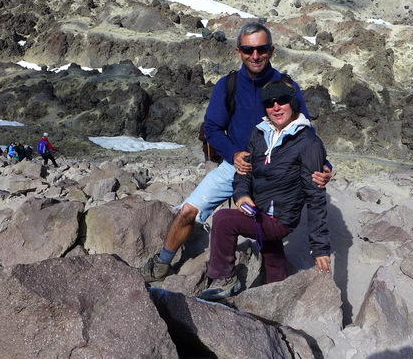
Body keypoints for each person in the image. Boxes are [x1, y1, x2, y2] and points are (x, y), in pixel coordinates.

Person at [141, 22, 332, 282]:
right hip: (235, 167)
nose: (255, 55)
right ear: (238, 51)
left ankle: (272, 287)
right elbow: (212, 128)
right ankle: (163, 261)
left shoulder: (286, 87)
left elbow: (306, 133)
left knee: (270, 232)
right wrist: (233, 154)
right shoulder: (227, 85)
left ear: (271, 50)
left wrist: (324, 167)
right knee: (188, 211)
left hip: (276, 175)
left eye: (261, 49)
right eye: (248, 49)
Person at [199, 80, 330, 301]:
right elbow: (244, 172)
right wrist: (241, 195)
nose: (276, 107)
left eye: (282, 101)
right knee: (272, 251)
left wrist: (320, 249)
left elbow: (316, 197)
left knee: (222, 219)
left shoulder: (308, 142)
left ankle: (225, 279)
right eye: (270, 103)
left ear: (293, 103)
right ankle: (277, 292)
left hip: (280, 219)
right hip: (258, 209)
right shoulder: (259, 133)